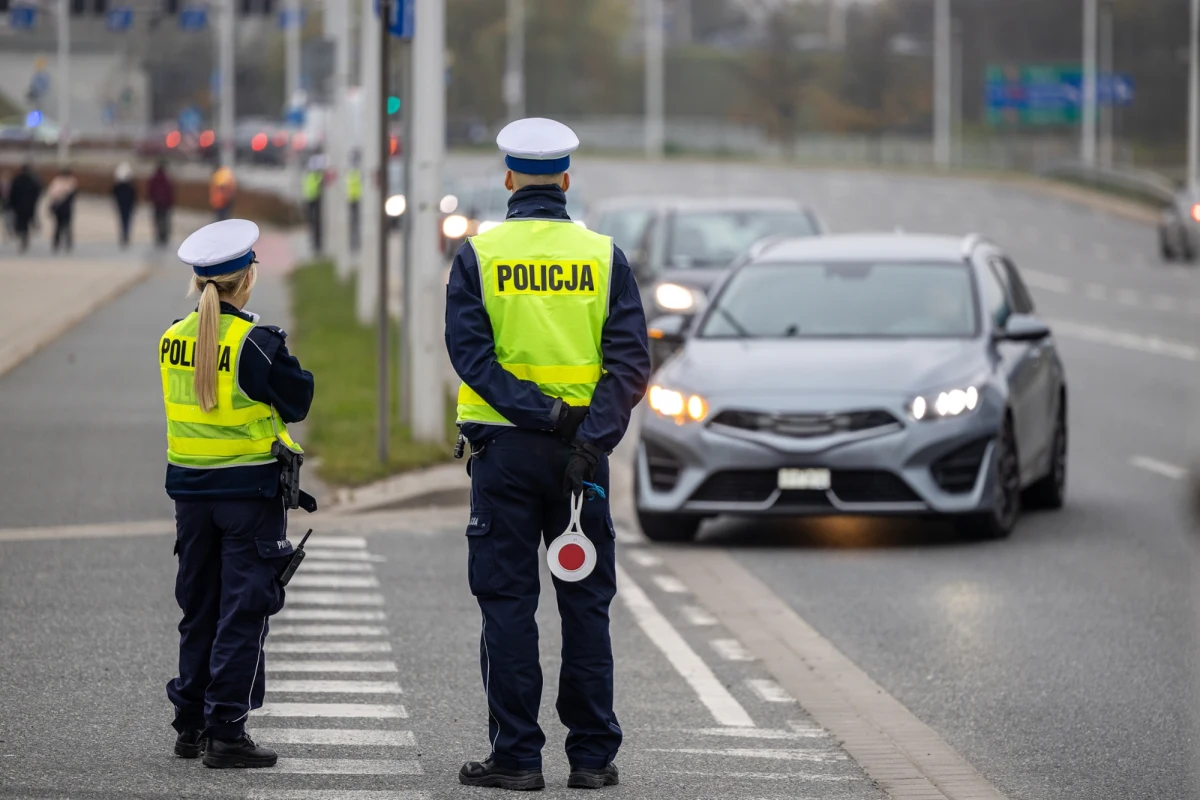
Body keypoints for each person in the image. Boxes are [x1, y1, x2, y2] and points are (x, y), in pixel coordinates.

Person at [445, 118, 651, 791]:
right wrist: (588, 439)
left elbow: (473, 359)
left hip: (503, 455)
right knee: (585, 605)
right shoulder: (604, 256)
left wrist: (540, 413)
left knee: (507, 604)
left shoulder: (478, 256)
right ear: (566, 179)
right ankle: (591, 760)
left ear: (508, 179)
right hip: (581, 465)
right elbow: (629, 364)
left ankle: (518, 758)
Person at [162, 219, 315, 769]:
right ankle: (227, 730)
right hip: (247, 494)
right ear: (246, 278)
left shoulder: (172, 339)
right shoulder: (257, 343)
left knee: (198, 606)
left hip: (190, 494)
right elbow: (299, 399)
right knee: (244, 610)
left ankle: (191, 724)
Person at [9, 162, 42, 252]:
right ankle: (24, 236)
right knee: (26, 222)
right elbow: (37, 192)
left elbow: (12, 193)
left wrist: (11, 204)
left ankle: (22, 235)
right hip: (28, 206)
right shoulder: (33, 180)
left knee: (21, 222)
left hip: (18, 206)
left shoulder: (17, 179)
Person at [45, 167, 78, 253]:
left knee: (58, 227)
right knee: (65, 227)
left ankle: (57, 243)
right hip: (65, 208)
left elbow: (52, 194)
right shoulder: (71, 182)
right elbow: (73, 196)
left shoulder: (57, 182)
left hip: (59, 208)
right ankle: (67, 244)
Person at [147, 160, 176, 248]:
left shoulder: (154, 178)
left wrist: (152, 199)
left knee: (158, 220)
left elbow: (150, 190)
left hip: (157, 203)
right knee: (165, 220)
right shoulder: (166, 178)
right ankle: (164, 236)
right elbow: (170, 191)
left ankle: (159, 236)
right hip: (165, 204)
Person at [302, 155, 324, 254]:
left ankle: (316, 243)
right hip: (315, 201)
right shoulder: (316, 176)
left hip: (312, 201)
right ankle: (316, 244)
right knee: (315, 224)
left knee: (314, 224)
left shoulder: (310, 176)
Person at [112, 162, 137, 248]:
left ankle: (124, 235)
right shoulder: (129, 186)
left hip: (122, 205)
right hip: (127, 205)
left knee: (123, 221)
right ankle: (125, 235)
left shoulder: (119, 186)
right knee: (126, 221)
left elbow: (114, 193)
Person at [346, 151, 362, 252]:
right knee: (353, 223)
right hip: (352, 200)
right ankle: (353, 243)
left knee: (355, 223)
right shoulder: (353, 173)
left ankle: (355, 243)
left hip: (356, 199)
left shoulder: (354, 172)